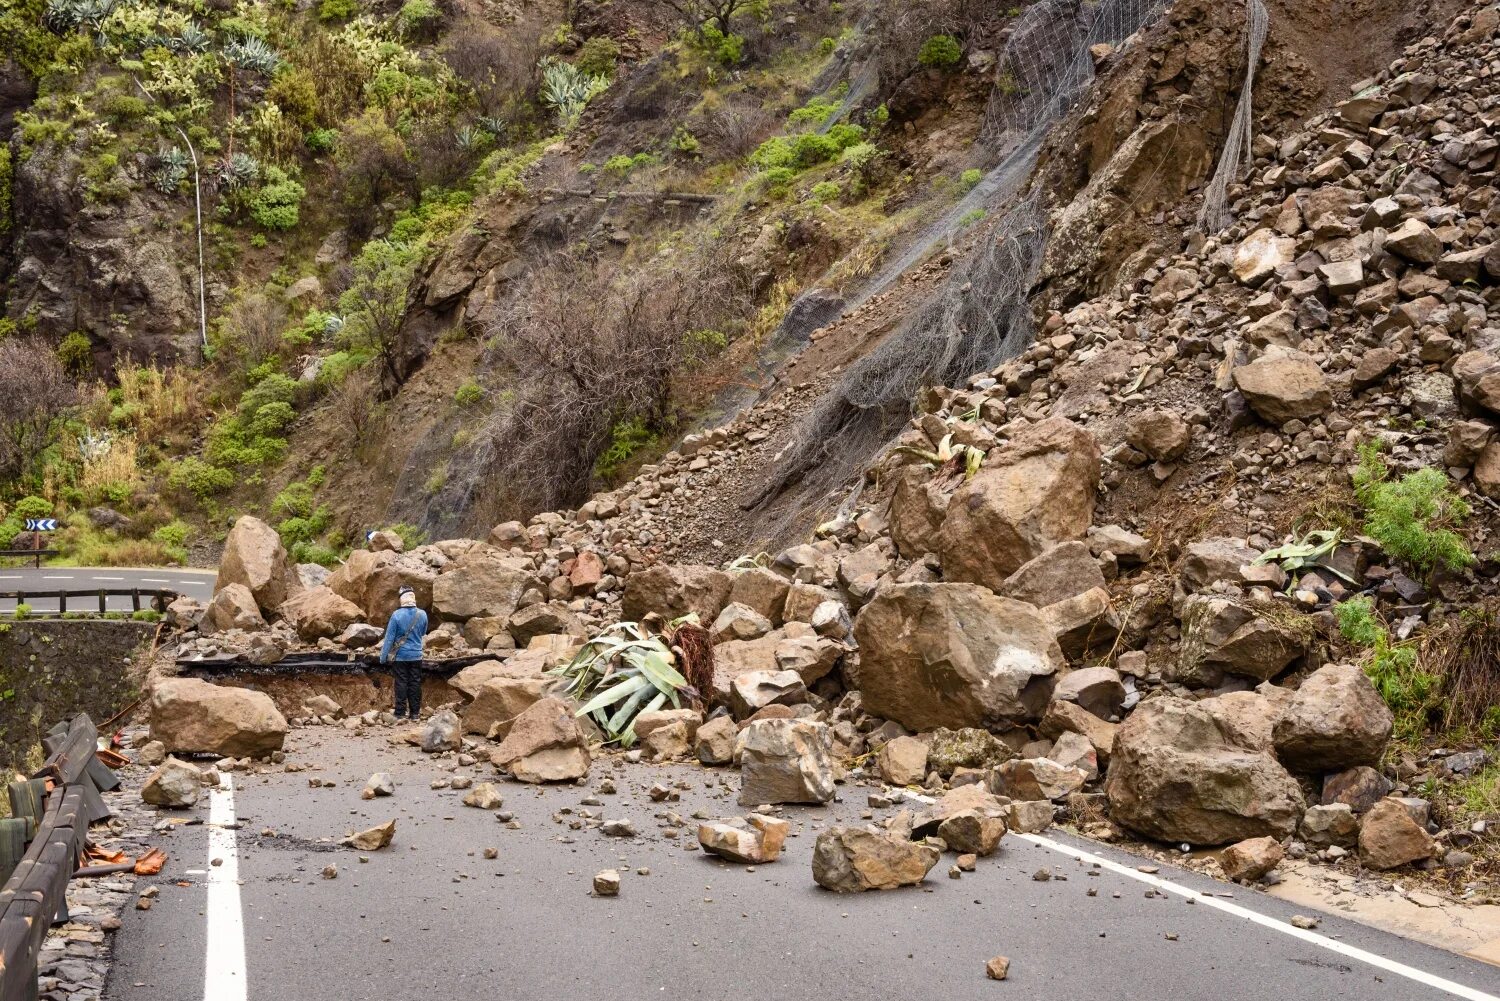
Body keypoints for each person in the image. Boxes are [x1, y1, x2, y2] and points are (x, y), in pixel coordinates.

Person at [379, 585, 428, 720]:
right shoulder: (422, 614)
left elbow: (389, 638)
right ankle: (415, 713)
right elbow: (423, 632)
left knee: (401, 682)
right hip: (416, 656)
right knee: (415, 682)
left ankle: (400, 712)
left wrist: (383, 658)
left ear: (401, 599)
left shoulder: (396, 615)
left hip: (400, 656)